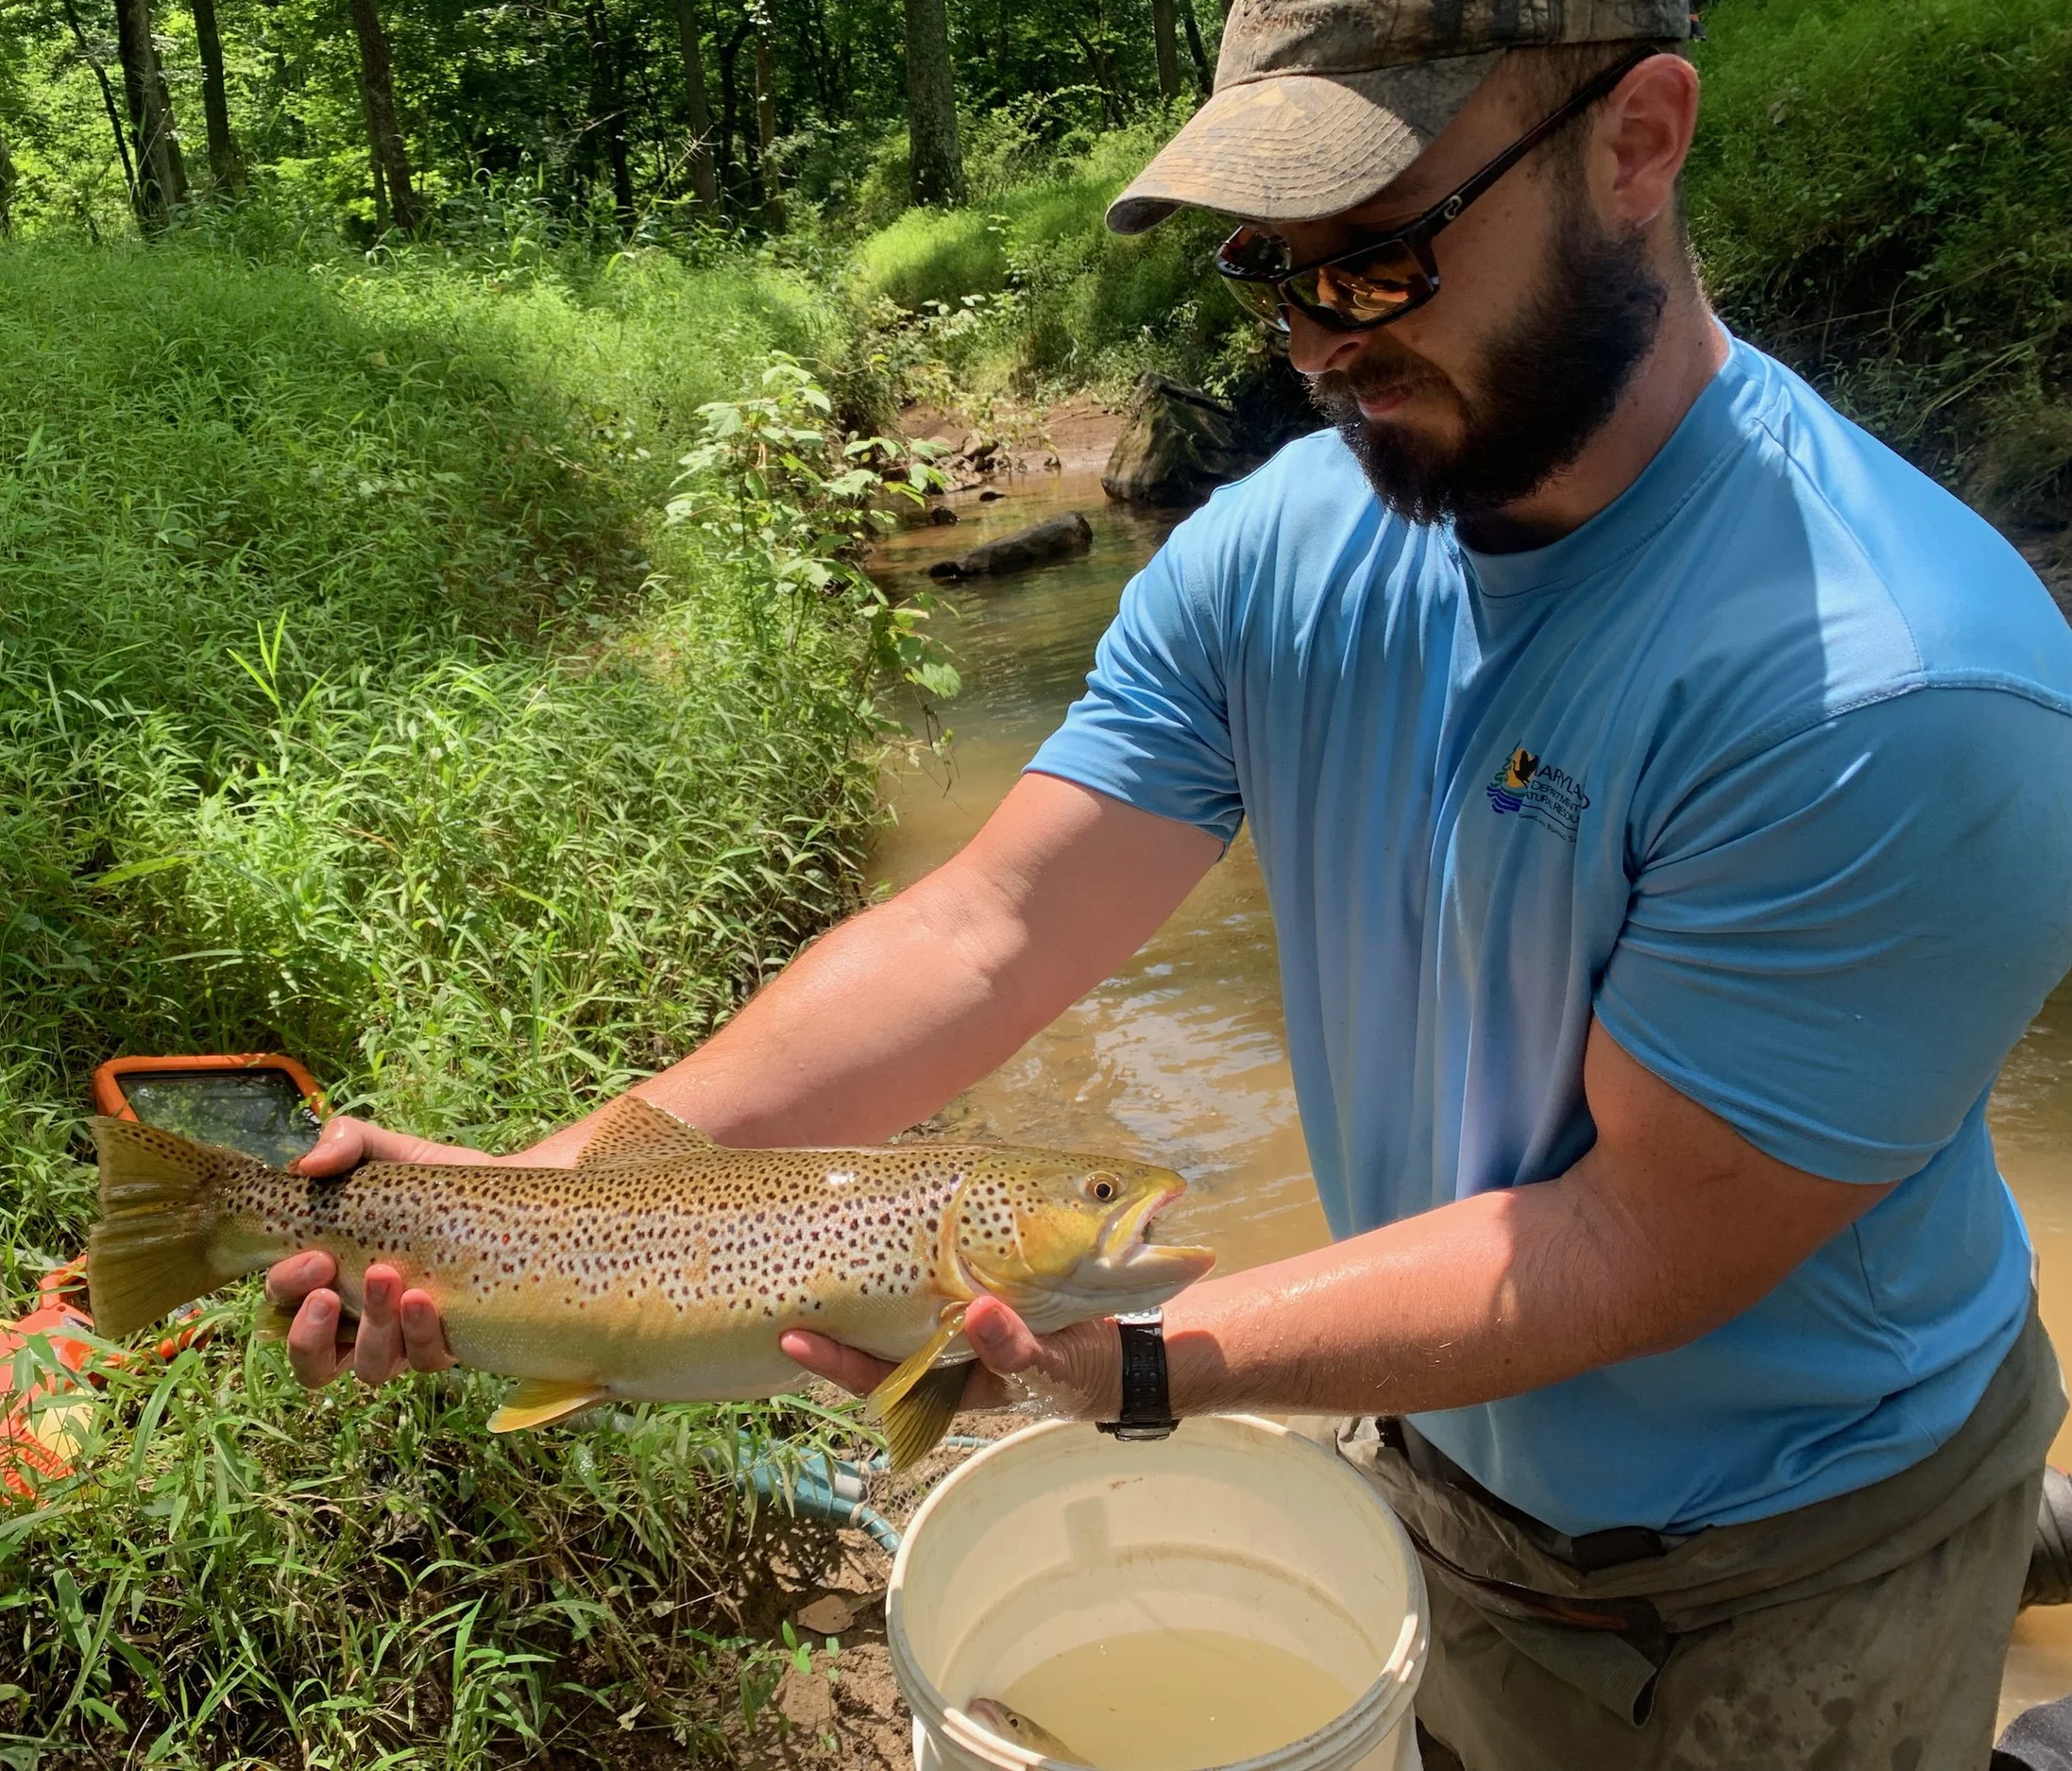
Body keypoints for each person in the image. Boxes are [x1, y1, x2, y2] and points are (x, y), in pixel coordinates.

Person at [262, 3, 2072, 1763]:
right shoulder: (1279, 549)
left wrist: (1142, 1362)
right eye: (1267, 272)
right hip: (1439, 1467)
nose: (1314, 345)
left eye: (1373, 256)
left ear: (1638, 139)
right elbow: (991, 930)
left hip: (1789, 1552)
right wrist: (544, 1200)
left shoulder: (1898, 692)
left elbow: (1631, 1236)